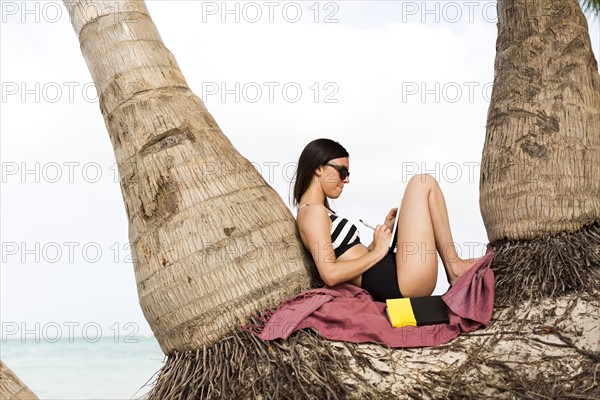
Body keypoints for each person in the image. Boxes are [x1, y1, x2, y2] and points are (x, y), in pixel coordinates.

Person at [292, 138, 481, 302]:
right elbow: (330, 274)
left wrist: (381, 237)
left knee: (423, 187)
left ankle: (454, 267)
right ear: (319, 169)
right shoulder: (312, 213)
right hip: (397, 282)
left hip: (397, 277)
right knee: (423, 183)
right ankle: (455, 268)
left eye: (347, 174)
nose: (346, 180)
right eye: (342, 172)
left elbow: (352, 258)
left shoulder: (320, 212)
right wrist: (378, 252)